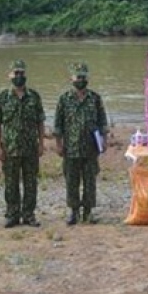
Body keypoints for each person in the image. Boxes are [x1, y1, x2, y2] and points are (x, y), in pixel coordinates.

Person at [54, 62, 109, 225]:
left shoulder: (95, 98)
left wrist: (104, 141)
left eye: (84, 77)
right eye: (78, 77)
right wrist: (58, 144)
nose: (81, 80)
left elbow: (102, 121)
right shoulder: (64, 99)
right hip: (70, 148)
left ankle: (88, 212)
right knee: (72, 181)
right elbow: (58, 125)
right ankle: (74, 211)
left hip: (91, 148)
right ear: (71, 78)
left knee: (90, 181)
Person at [0, 60, 45, 228]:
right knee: (11, 183)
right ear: (9, 75)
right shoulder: (1, 98)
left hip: (30, 147)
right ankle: (12, 215)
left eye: (22, 73)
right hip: (10, 148)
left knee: (31, 183)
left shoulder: (34, 96)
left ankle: (29, 215)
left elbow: (40, 122)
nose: (19, 76)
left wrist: (41, 143)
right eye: (16, 73)